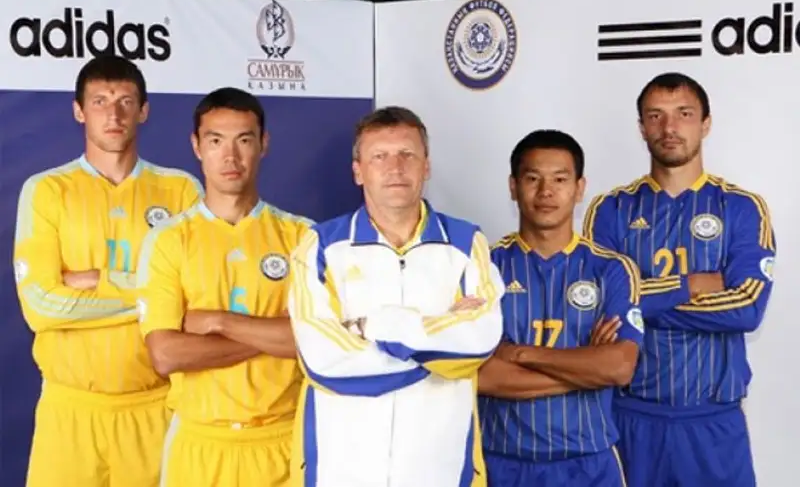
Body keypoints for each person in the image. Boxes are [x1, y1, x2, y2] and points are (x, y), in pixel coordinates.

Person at [287, 106, 505, 487]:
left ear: (426, 166)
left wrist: (368, 327)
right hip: (340, 471)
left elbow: (480, 340)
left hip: (441, 470)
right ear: (358, 171)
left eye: (407, 154)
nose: (395, 167)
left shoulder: (466, 242)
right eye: (379, 157)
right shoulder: (320, 246)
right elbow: (322, 359)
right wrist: (438, 343)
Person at [12, 56, 203, 487]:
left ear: (144, 110)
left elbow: (195, 301)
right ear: (79, 111)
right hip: (70, 413)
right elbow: (41, 307)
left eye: (125, 101)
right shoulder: (46, 190)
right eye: (99, 101)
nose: (113, 114)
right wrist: (150, 297)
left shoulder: (180, 190)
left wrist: (95, 280)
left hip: (155, 409)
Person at [582, 72, 776, 487]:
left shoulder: (741, 208)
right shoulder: (611, 209)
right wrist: (690, 285)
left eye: (684, 114)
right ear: (641, 128)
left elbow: (746, 308)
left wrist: (637, 300)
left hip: (712, 422)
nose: (669, 127)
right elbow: (598, 306)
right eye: (656, 116)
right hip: (630, 418)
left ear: (706, 124)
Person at [136, 87, 312, 487]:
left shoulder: (302, 236)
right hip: (200, 445)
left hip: (282, 442)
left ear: (263, 144)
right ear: (196, 146)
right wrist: (273, 333)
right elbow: (165, 354)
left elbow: (313, 341)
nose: (230, 157)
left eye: (244, 140)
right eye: (216, 141)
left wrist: (219, 321)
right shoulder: (168, 240)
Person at [477, 129, 644, 487]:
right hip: (503, 463)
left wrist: (519, 353)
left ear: (580, 188)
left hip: (588, 464)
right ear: (513, 186)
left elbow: (619, 367)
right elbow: (483, 376)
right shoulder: (483, 266)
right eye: (532, 178)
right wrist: (587, 367)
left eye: (560, 179)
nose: (546, 192)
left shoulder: (612, 268)